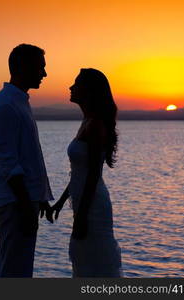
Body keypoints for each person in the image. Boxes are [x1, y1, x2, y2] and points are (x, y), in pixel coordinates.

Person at [0, 44, 54, 277]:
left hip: (23, 201)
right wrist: (27, 204)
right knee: (14, 270)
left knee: (20, 268)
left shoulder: (19, 102)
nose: (44, 74)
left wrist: (41, 197)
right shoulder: (7, 104)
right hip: (15, 202)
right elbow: (7, 161)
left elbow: (29, 157)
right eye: (40, 68)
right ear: (23, 67)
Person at [51, 68, 122, 277]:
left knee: (92, 260)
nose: (71, 87)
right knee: (84, 260)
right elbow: (78, 173)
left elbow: (92, 175)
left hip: (92, 206)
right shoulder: (87, 122)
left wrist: (81, 217)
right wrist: (62, 201)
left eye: (76, 84)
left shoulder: (95, 126)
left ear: (89, 91)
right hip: (83, 203)